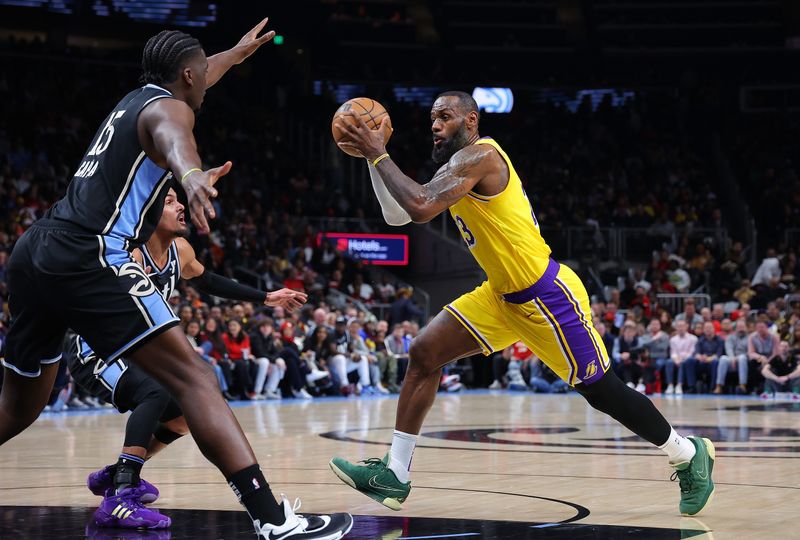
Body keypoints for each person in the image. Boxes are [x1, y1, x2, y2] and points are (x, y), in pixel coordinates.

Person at [0, 22, 351, 539]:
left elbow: (196, 84)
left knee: (17, 405)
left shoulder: (135, 99)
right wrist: (190, 176)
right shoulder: (172, 108)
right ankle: (274, 521)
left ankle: (130, 474)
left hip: (37, 248)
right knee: (196, 380)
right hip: (91, 251)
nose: (210, 75)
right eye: (205, 68)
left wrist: (235, 53)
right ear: (188, 74)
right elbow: (175, 136)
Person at [328, 91, 714, 517]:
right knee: (423, 353)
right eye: (431, 118)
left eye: (445, 117)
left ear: (471, 121)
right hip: (500, 294)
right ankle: (395, 474)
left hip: (546, 296)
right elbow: (398, 216)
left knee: (602, 392)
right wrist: (371, 160)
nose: (434, 125)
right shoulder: (454, 168)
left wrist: (380, 154)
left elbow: (418, 208)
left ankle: (686, 451)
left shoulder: (482, 156)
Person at [715, 319, 749, 394]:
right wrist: (732, 358)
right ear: (735, 328)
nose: (741, 329)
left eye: (742, 327)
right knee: (723, 358)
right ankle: (719, 386)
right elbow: (729, 349)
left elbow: (749, 352)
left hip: (744, 361)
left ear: (746, 327)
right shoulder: (730, 337)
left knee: (742, 357)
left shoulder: (749, 338)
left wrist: (738, 357)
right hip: (732, 360)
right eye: (739, 327)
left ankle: (742, 385)